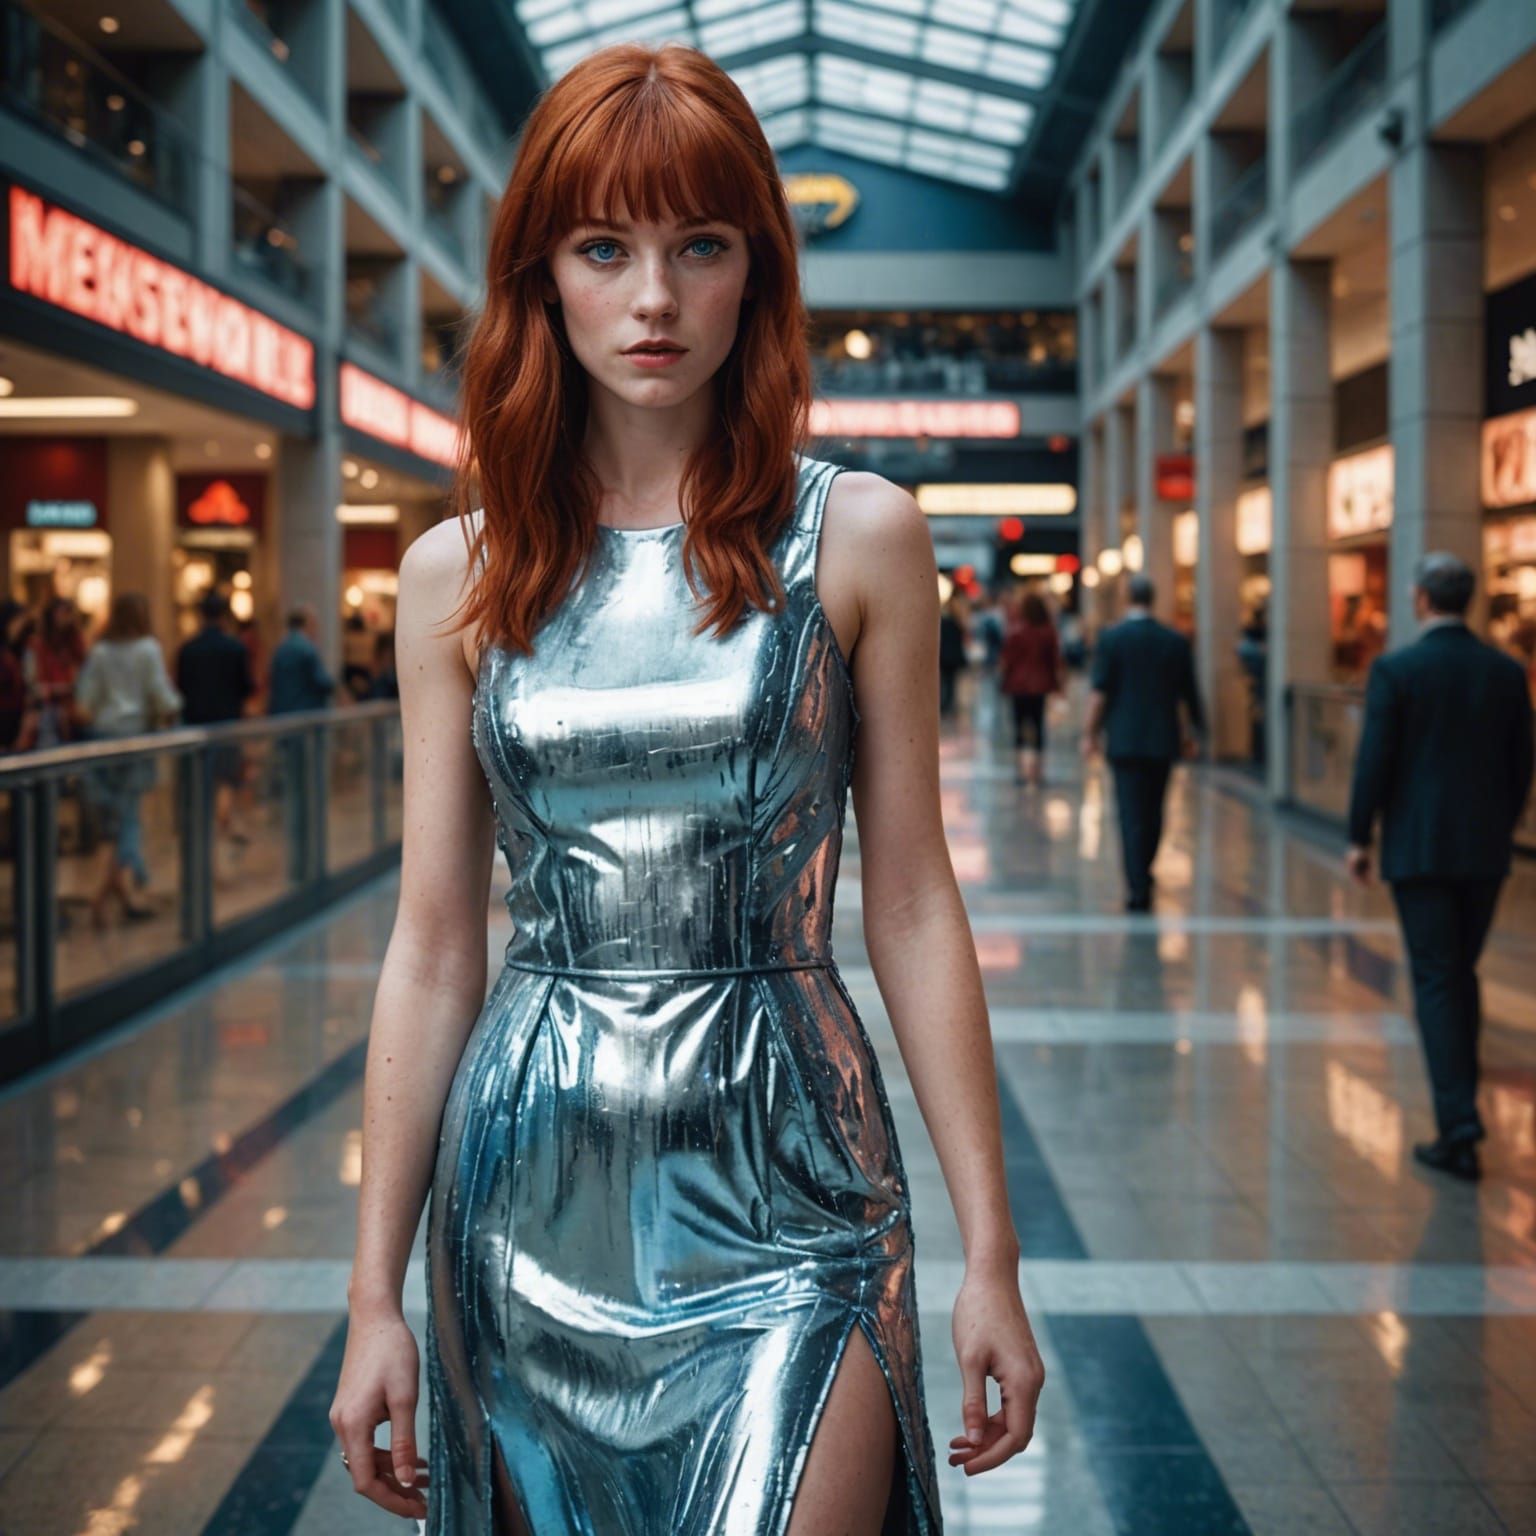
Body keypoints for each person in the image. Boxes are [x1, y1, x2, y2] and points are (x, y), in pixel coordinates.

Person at [329, 43, 1044, 1536]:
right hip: (530, 1187)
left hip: (793, 1167)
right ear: (546, 276)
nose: (654, 299)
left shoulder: (859, 537)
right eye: (605, 248)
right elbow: (436, 939)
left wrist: (995, 1251)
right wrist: (370, 1295)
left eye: (698, 246)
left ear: (754, 274)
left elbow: (911, 900)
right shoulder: (455, 575)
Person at [1346, 552, 1534, 1182]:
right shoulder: (1505, 672)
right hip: (1483, 852)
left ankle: (1459, 1125)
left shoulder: (1398, 669)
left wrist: (1359, 836)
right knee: (1459, 973)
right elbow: (1521, 764)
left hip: (1419, 849)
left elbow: (1375, 758)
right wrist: (1500, 826)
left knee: (1436, 977)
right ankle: (1460, 1111)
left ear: (1423, 598)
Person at [1082, 573, 1205, 912]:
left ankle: (1137, 884)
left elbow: (1099, 693)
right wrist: (1195, 732)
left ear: (1126, 598)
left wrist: (1089, 734)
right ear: (1154, 599)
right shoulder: (1174, 641)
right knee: (1154, 810)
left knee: (1129, 812)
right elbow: (1190, 694)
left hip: (1123, 740)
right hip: (1162, 739)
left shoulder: (1112, 639)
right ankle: (1144, 871)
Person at [73, 592, 183, 927]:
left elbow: (85, 703)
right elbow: (161, 695)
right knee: (129, 817)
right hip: (133, 740)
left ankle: (117, 892)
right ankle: (111, 891)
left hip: (103, 740)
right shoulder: (147, 649)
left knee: (114, 821)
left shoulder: (101, 651)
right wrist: (173, 712)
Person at [177, 590, 257, 844]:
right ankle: (222, 821)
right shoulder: (234, 648)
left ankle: (206, 831)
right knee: (226, 779)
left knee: (201, 786)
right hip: (226, 724)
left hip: (195, 726)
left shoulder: (188, 650)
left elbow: (180, 687)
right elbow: (246, 686)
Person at [999, 589, 1062, 786]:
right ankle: (1038, 771)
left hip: (1018, 686)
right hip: (1040, 685)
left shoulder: (1016, 632)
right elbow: (1054, 661)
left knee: (1019, 727)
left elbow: (1007, 660)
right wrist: (1058, 684)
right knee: (1038, 726)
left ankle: (1020, 771)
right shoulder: (1048, 632)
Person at [938, 595, 968, 718]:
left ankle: (946, 703)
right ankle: (948, 703)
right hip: (952, 656)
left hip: (946, 656)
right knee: (950, 681)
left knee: (947, 681)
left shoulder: (945, 621)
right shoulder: (956, 622)